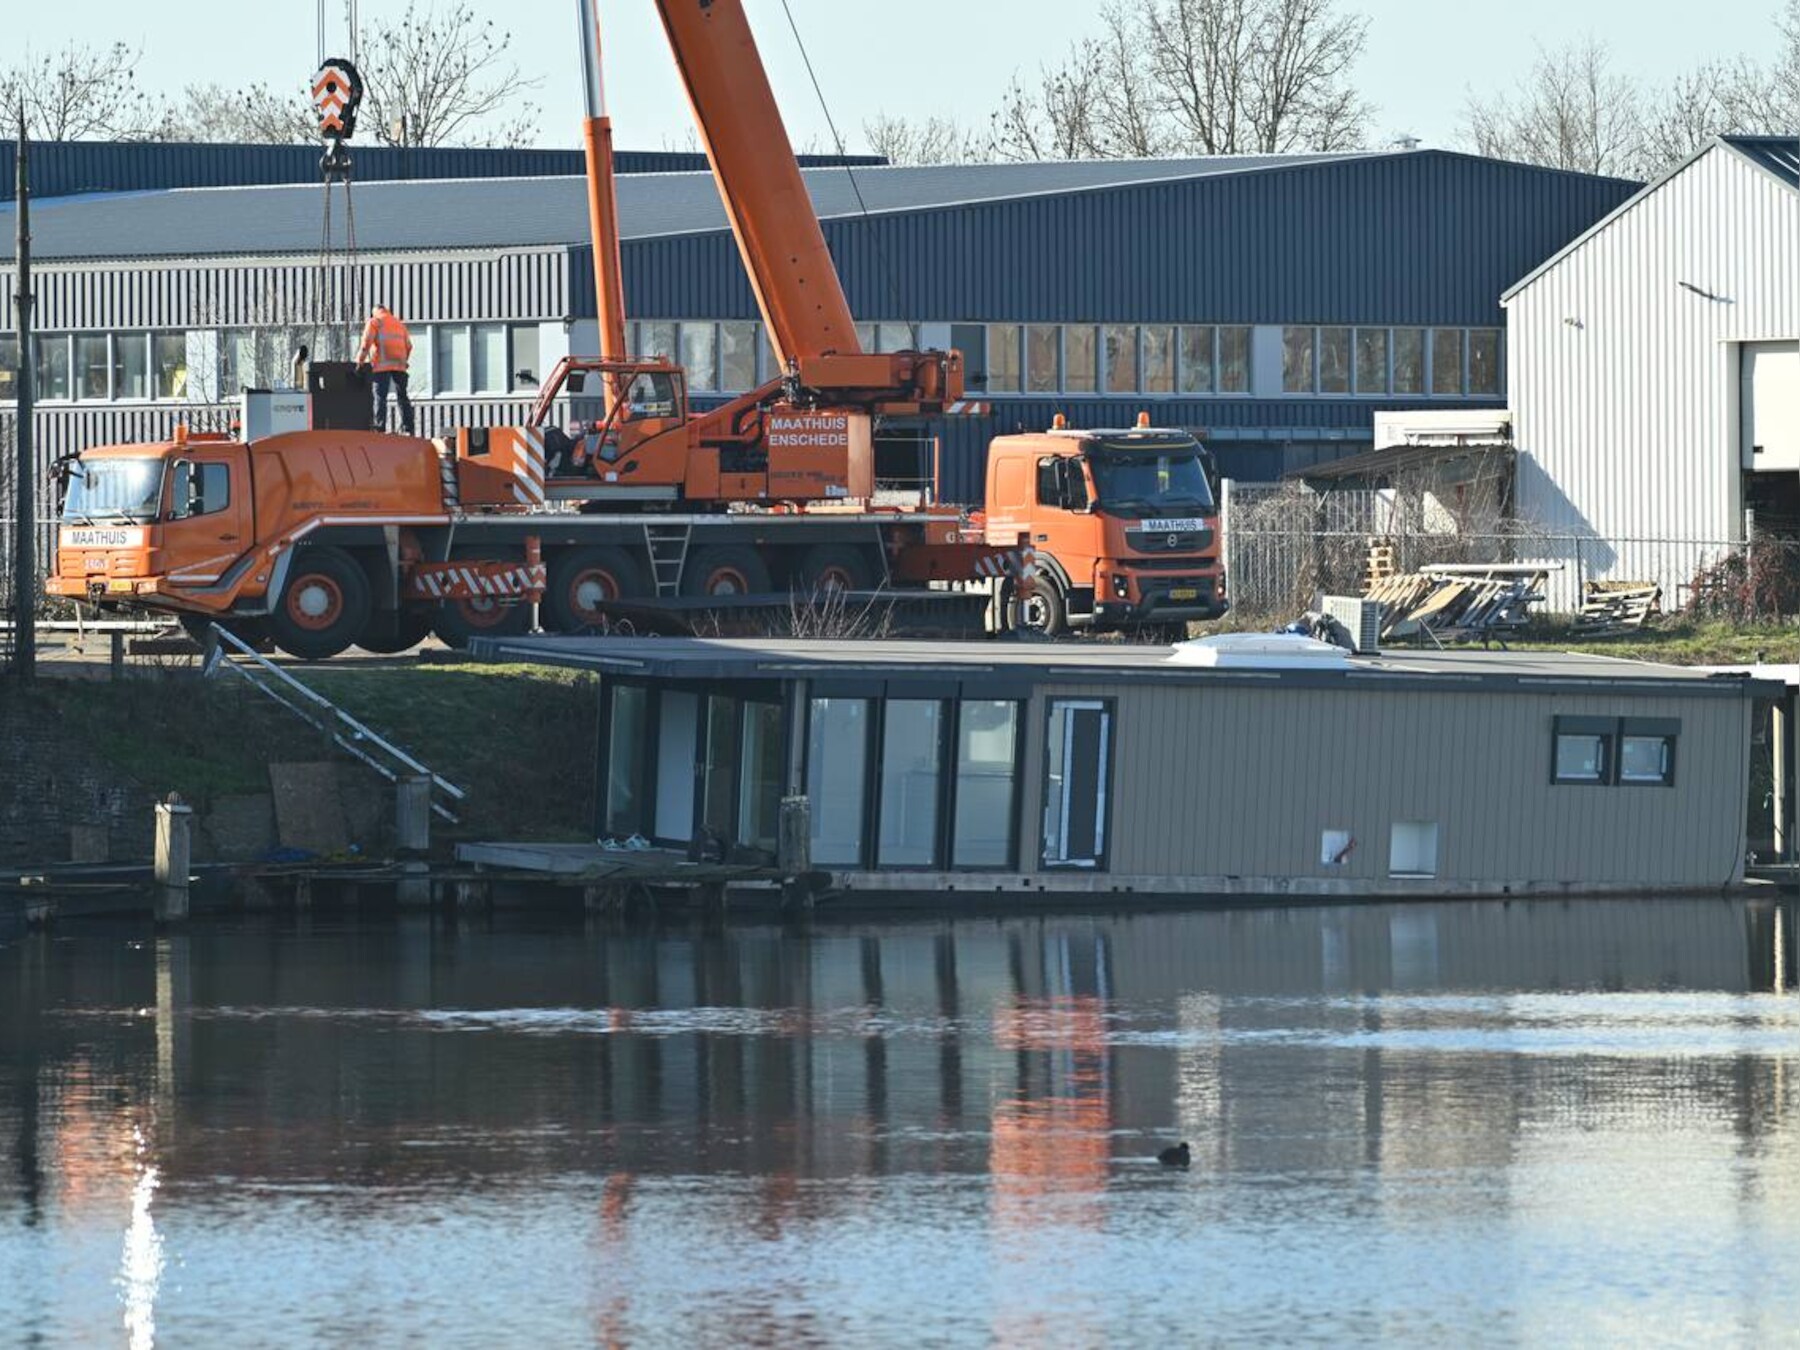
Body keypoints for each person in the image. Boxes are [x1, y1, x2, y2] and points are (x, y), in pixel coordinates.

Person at [356, 304, 414, 435]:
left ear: (375, 312)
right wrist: (404, 361)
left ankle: (379, 428)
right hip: (399, 365)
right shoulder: (399, 324)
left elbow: (366, 344)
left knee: (380, 397)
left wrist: (359, 362)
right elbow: (409, 346)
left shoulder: (375, 322)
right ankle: (408, 428)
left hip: (382, 365)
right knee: (402, 396)